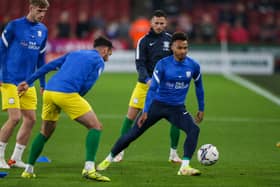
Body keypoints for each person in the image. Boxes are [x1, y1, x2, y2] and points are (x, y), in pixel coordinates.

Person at [97, 32, 205, 176]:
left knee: (194, 130)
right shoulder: (163, 65)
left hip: (177, 109)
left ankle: (184, 167)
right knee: (133, 134)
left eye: (185, 48)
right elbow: (153, 88)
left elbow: (199, 86)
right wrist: (146, 110)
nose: (183, 51)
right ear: (172, 47)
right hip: (157, 106)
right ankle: (108, 159)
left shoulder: (193, 66)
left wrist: (201, 107)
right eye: (180, 48)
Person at [17, 36, 113, 182]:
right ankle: (89, 169)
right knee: (96, 127)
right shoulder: (98, 61)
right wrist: (75, 100)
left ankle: (28, 170)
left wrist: (28, 82)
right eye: (109, 53)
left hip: (49, 92)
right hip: (66, 93)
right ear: (105, 50)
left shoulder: (75, 53)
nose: (109, 57)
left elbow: (48, 66)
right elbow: (88, 84)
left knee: (45, 132)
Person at [114, 10, 182, 163]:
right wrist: (147, 79)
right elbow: (140, 64)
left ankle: (173, 154)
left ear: (166, 24)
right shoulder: (143, 41)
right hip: (145, 85)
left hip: (165, 87)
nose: (159, 26)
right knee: (130, 116)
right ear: (151, 23)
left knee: (176, 118)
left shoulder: (171, 40)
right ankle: (120, 151)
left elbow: (176, 62)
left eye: (161, 23)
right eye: (156, 23)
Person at [0, 0, 49, 169]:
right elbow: (1, 50)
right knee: (14, 118)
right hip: (9, 80)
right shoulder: (14, 26)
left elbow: (41, 59)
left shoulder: (43, 31)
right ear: (31, 8)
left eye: (44, 12)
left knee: (31, 119)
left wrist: (42, 82)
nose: (42, 15)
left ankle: (15, 158)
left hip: (28, 82)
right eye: (39, 11)